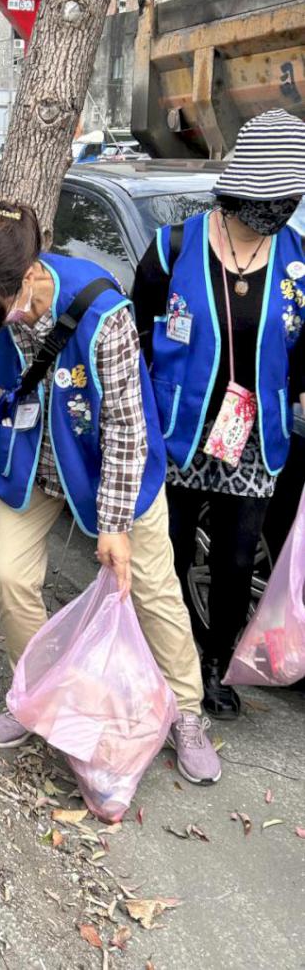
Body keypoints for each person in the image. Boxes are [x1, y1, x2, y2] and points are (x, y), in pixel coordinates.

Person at [0, 201, 221, 786]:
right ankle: (36, 692)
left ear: (29, 275)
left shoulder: (103, 310)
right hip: (29, 459)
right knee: (11, 579)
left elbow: (125, 426)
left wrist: (114, 525)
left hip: (106, 465)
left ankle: (186, 712)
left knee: (149, 587)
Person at [133, 108, 305, 719]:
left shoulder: (299, 262)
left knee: (234, 561)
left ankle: (213, 664)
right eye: (266, 197)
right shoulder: (173, 248)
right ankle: (166, 660)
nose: (274, 210)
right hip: (179, 429)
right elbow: (138, 334)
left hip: (255, 436)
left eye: (287, 198)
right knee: (169, 554)